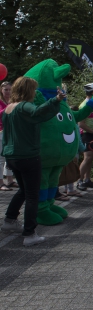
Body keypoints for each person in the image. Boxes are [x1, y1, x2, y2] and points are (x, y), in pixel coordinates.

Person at [1, 77, 65, 246]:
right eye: (34, 89)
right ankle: (29, 234)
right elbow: (38, 113)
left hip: (12, 156)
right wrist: (56, 100)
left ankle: (9, 220)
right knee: (32, 195)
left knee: (23, 190)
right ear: (28, 90)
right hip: (28, 156)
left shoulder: (8, 108)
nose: (35, 92)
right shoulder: (24, 106)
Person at [76, 83, 93, 191]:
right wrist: (92, 131)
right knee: (87, 158)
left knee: (91, 157)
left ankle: (87, 180)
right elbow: (80, 123)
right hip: (86, 134)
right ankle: (79, 181)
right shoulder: (85, 105)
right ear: (92, 93)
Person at [1, 81, 17, 191]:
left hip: (11, 132)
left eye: (9, 89)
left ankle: (10, 180)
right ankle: (1, 182)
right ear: (1, 91)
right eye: (5, 89)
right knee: (1, 158)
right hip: (1, 131)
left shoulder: (12, 101)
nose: (8, 91)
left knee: (10, 157)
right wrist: (10, 108)